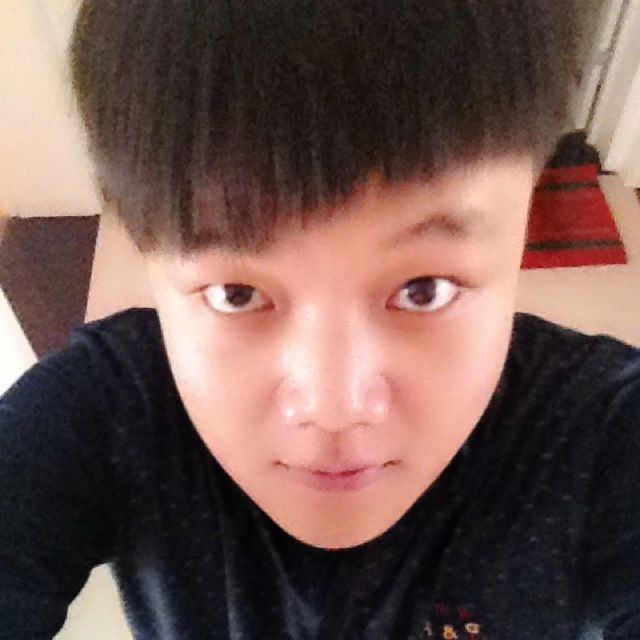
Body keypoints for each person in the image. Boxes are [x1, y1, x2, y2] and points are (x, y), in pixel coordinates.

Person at [1, 1, 638, 638]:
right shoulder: (110, 416)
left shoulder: (599, 436)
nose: (334, 408)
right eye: (236, 294)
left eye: (423, 290)